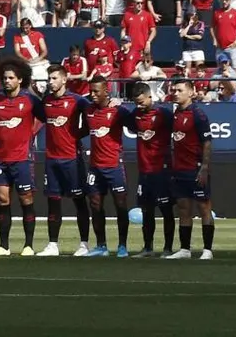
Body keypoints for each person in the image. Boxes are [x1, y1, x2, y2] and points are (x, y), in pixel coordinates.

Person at [0, 58, 41, 255]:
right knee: (2, 200)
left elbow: (46, 115)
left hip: (23, 159)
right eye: (4, 78)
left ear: (20, 79)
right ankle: (4, 246)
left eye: (10, 78)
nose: (6, 81)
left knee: (26, 200)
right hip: (1, 158)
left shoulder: (30, 100)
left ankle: (29, 245)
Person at [33, 65, 90, 257]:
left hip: (72, 159)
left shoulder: (77, 101)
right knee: (53, 202)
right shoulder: (46, 101)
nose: (51, 82)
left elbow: (92, 118)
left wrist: (76, 136)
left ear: (64, 80)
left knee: (79, 201)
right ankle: (52, 245)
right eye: (49, 78)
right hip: (52, 159)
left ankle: (84, 244)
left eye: (55, 78)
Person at [82, 75, 135, 257]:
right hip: (95, 167)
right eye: (91, 91)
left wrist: (122, 105)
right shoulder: (88, 109)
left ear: (106, 91)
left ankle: (122, 246)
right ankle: (101, 246)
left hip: (114, 165)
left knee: (120, 205)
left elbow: (136, 125)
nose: (93, 94)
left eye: (96, 91)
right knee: (95, 205)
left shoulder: (118, 111)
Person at [165, 78, 215, 260]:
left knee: (204, 208)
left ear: (190, 92)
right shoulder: (175, 114)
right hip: (179, 169)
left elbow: (207, 143)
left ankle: (207, 249)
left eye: (179, 90)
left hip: (195, 169)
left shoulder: (198, 115)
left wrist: (204, 167)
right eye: (173, 90)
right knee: (183, 209)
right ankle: (185, 249)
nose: (175, 93)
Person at [129, 80, 177, 256]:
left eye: (141, 102)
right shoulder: (135, 114)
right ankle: (148, 247)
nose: (139, 106)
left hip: (161, 170)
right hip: (144, 171)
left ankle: (168, 248)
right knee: (146, 210)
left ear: (150, 97)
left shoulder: (163, 114)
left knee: (166, 210)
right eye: (136, 102)